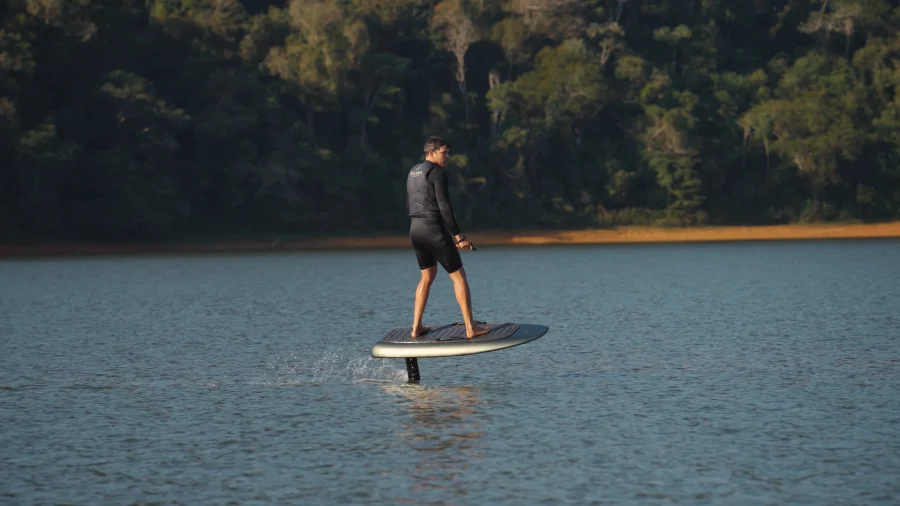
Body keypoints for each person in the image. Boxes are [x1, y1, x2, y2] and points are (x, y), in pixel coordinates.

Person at [406, 136, 490, 340]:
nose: (448, 156)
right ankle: (471, 328)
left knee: (426, 277)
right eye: (444, 152)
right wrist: (459, 236)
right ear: (432, 152)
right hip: (433, 229)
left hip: (415, 229)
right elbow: (444, 206)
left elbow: (409, 204)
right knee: (459, 277)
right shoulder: (436, 172)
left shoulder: (413, 171)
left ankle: (416, 327)